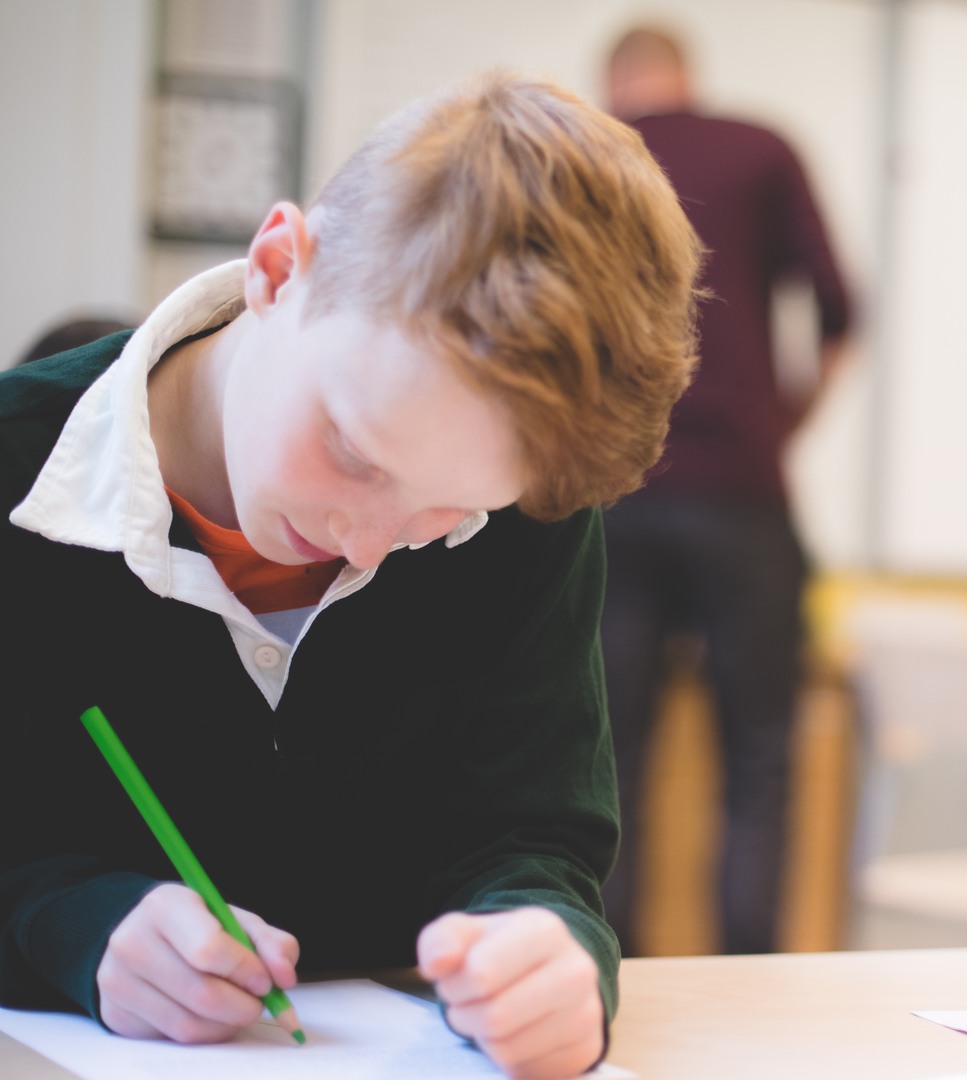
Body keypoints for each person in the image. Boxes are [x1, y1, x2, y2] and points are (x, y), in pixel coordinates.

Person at [0, 71, 700, 1080]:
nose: (368, 545)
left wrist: (548, 945)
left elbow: (532, 833)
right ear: (279, 268)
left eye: (451, 511)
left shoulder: (525, 513)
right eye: (356, 455)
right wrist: (67, 925)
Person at [598, 25, 855, 957]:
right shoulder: (762, 148)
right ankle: (752, 980)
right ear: (688, 78)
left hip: (613, 492)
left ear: (614, 83)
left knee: (611, 756)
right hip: (742, 499)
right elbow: (839, 312)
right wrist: (778, 427)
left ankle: (600, 968)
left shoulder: (596, 153)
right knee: (758, 756)